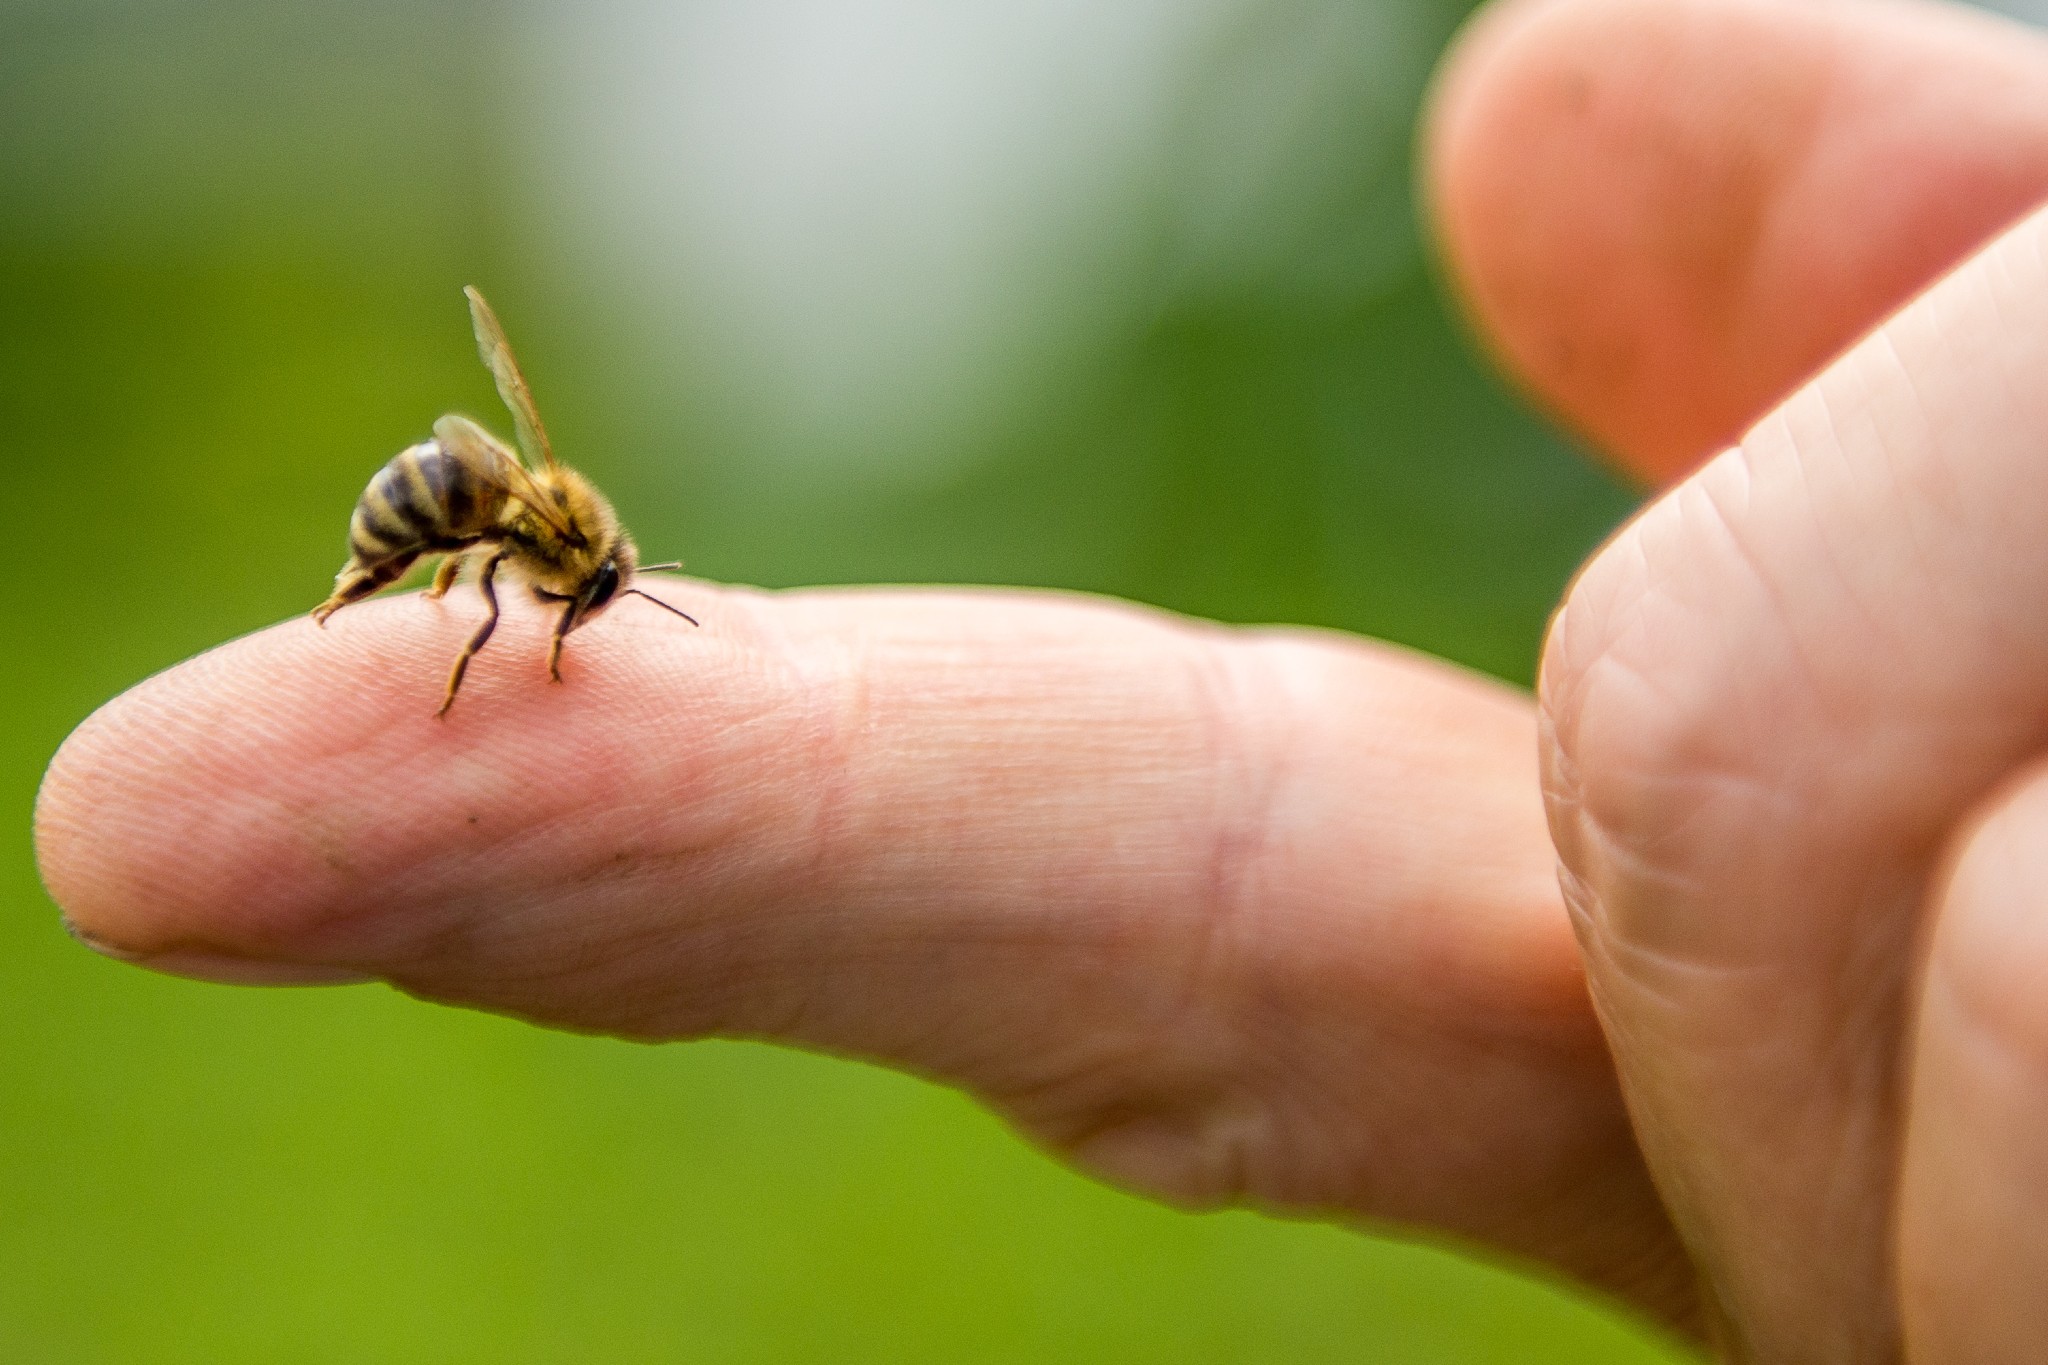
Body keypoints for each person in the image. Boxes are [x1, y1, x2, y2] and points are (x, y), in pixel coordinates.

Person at [34, 0, 2048, 1356]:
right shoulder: (516, 544)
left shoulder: (546, 534)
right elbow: (474, 548)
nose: (565, 599)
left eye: (568, 585)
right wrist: (473, 637)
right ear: (555, 552)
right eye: (569, 585)